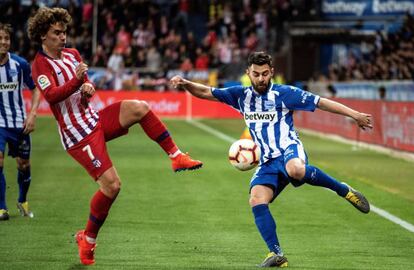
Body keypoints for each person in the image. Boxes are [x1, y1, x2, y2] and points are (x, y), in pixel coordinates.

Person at [27, 7, 202, 265]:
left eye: (64, 32)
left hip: (93, 120)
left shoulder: (72, 54)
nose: (63, 37)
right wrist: (78, 82)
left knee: (139, 107)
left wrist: (87, 87)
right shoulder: (40, 66)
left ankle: (176, 156)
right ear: (43, 35)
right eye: (56, 33)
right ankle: (87, 240)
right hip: (77, 136)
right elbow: (51, 95)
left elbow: (85, 82)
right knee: (112, 186)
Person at [170, 51, 372, 268]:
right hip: (266, 160)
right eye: (256, 74)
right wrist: (184, 82)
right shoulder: (240, 96)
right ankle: (276, 254)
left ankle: (344, 191)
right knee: (256, 199)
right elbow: (206, 91)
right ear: (248, 73)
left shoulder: (285, 93)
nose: (261, 79)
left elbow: (321, 102)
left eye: (265, 74)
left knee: (295, 169)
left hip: (288, 149)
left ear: (272, 72)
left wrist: (355, 114)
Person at [0, 23, 41, 221]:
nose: (3, 42)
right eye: (0, 38)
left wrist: (32, 114)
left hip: (18, 123)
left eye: (6, 38)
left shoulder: (20, 64)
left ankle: (22, 200)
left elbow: (35, 90)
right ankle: (1, 208)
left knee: (23, 165)